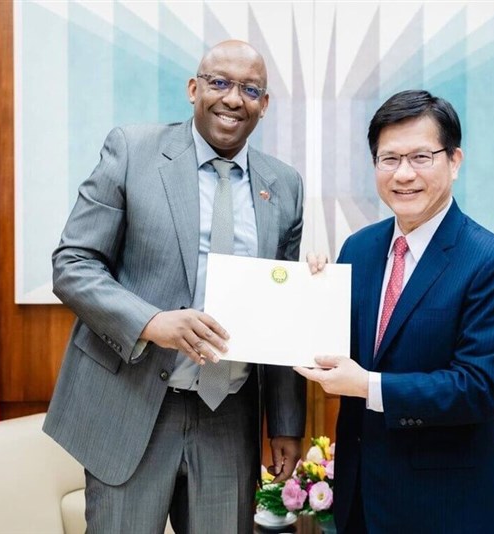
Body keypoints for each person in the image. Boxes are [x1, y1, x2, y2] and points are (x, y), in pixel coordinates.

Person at [44, 40, 306, 533]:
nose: (233, 99)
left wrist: (287, 421)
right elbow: (73, 263)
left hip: (228, 416)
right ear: (193, 89)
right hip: (132, 405)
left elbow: (282, 310)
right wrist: (151, 322)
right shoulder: (132, 150)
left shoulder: (285, 185)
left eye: (250, 89)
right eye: (219, 82)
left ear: (264, 105)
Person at [297, 90, 494, 533]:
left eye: (421, 157)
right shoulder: (358, 249)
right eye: (389, 159)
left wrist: (368, 385)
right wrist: (310, 293)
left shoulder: (491, 262)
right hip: (360, 499)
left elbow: (478, 388)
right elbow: (330, 348)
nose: (404, 174)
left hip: (444, 506)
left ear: (454, 160)